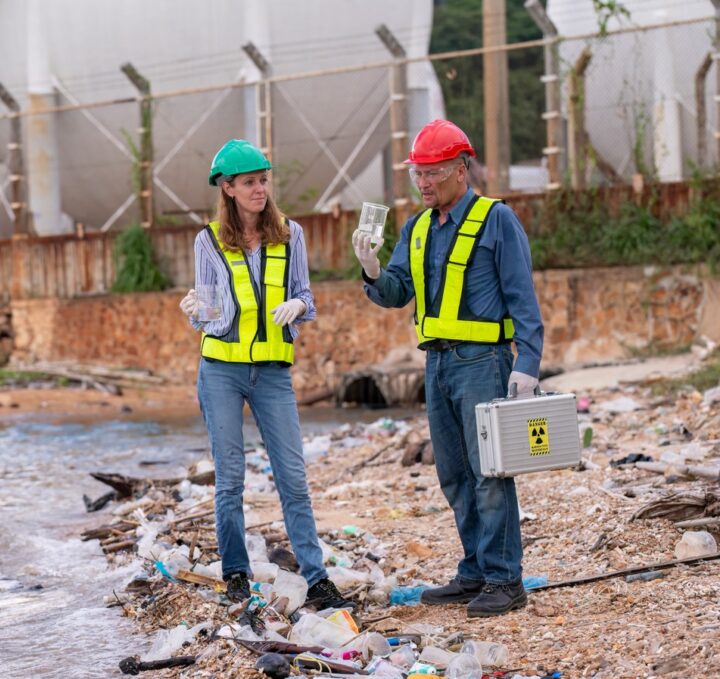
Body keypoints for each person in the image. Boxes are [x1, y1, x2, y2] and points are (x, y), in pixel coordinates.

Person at [352, 120, 543, 618]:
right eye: (418, 173)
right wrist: (372, 270)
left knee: (489, 473)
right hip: (436, 364)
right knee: (455, 474)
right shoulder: (416, 228)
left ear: (461, 169)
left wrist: (528, 363)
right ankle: (476, 571)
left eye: (433, 172)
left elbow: (523, 296)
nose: (424, 183)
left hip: (485, 363)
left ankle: (505, 579)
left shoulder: (496, 219)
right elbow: (396, 291)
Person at [178, 139, 353, 611]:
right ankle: (236, 574)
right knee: (230, 478)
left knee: (293, 478)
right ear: (228, 188)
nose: (260, 189)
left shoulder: (290, 233)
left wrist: (299, 306)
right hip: (221, 370)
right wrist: (196, 311)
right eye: (249, 182)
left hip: (273, 372)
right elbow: (213, 312)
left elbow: (306, 297)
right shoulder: (207, 240)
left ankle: (317, 579)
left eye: (263, 180)